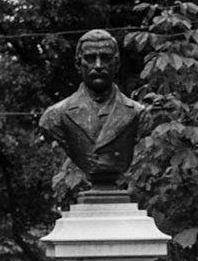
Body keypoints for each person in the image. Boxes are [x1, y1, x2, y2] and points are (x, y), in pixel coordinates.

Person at [39, 29, 149, 188]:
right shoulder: (55, 116)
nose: (98, 65)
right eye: (90, 59)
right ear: (78, 64)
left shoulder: (138, 114)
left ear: (116, 64)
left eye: (105, 58)